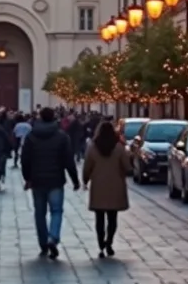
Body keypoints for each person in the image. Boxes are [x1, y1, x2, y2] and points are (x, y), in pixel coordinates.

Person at [20, 106, 80, 259]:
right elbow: (68, 160)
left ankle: (43, 243)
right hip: (55, 180)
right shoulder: (61, 136)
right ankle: (53, 237)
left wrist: (28, 178)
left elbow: (25, 159)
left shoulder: (31, 137)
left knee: (39, 213)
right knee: (56, 211)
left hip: (37, 180)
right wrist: (75, 180)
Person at [82, 118, 132, 258]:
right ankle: (109, 241)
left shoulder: (92, 147)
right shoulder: (119, 148)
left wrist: (85, 180)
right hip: (115, 186)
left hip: (98, 186)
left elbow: (87, 167)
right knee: (112, 217)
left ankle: (100, 242)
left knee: (99, 218)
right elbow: (127, 167)